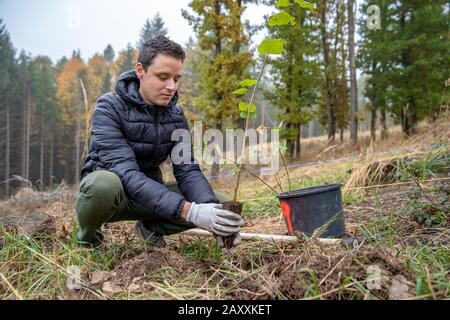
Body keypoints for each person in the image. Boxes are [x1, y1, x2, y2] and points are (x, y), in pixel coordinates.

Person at [75, 35, 244, 251]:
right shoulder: (108, 108)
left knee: (220, 206)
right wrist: (190, 212)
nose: (171, 86)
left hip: (149, 195)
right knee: (103, 185)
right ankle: (88, 240)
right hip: (113, 197)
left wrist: (214, 216)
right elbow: (125, 173)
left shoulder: (175, 115)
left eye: (176, 79)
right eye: (163, 77)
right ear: (140, 71)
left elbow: (187, 170)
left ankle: (151, 229)